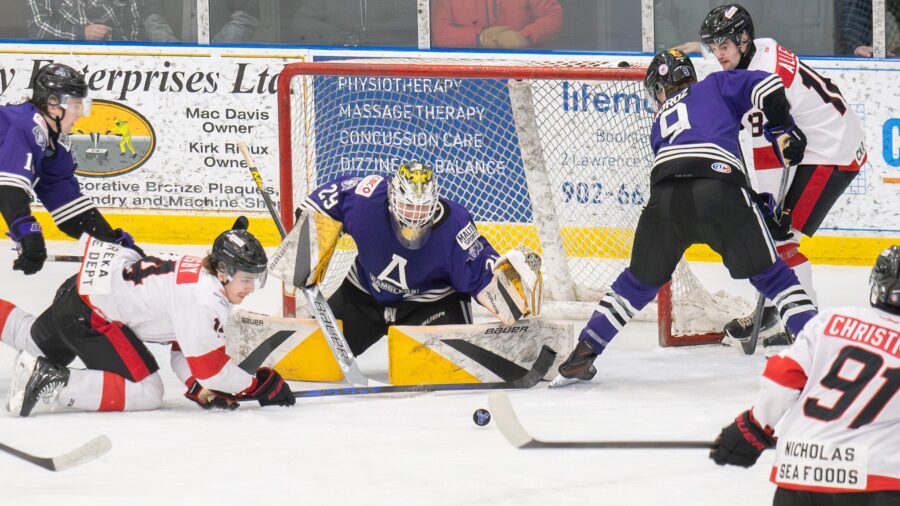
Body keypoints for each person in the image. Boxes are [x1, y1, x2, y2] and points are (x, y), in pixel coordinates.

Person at [553, 49, 817, 385]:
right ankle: (820, 353)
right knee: (777, 280)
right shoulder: (716, 84)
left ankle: (584, 351)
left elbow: (688, 168)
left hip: (664, 200)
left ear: (661, 89)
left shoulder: (659, 121)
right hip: (719, 188)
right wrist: (782, 130)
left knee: (634, 285)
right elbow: (768, 87)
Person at [698, 4, 868, 348]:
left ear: (744, 40)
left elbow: (769, 155)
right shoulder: (763, 50)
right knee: (774, 235)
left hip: (831, 151)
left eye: (725, 47)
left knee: (781, 238)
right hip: (821, 141)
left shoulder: (763, 82)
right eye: (714, 48)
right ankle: (777, 309)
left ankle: (806, 328)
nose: (719, 55)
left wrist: (769, 205)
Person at [1, 222, 295, 417]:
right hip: (90, 317)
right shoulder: (206, 299)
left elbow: (187, 351)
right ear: (222, 270)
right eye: (245, 279)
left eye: (255, 279)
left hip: (80, 291)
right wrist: (256, 384)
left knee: (31, 341)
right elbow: (212, 371)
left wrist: (198, 387)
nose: (250, 289)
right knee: (148, 392)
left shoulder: (202, 278)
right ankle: (56, 380)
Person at [269, 162, 543, 356]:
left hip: (429, 304)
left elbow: (478, 272)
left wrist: (510, 290)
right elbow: (328, 200)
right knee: (319, 356)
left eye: (422, 207)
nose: (414, 215)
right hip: (364, 296)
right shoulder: (368, 198)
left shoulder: (455, 224)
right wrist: (306, 239)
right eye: (407, 205)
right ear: (391, 198)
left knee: (436, 369)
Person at [710, 245, 900, 505]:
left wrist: (753, 427)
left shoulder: (832, 320)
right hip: (876, 482)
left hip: (799, 471)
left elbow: (782, 375)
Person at [1, 63, 139, 276]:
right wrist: (28, 234)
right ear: (53, 105)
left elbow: (67, 203)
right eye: (76, 105)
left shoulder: (55, 143)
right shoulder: (22, 125)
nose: (81, 114)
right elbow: (8, 188)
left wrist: (112, 244)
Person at [430, 0, 563, 49]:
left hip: (520, 72)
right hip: (468, 74)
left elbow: (554, 15)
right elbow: (439, 34)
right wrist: (480, 37)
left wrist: (524, 37)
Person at [286, 0, 417, 47]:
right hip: (339, 63)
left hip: (394, 60)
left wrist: (374, 35)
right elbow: (301, 23)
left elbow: (417, 23)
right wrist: (337, 35)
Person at [143, 0, 260, 44]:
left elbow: (246, 17)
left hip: (222, 67)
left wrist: (216, 50)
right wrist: (174, 50)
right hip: (169, 67)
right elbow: (152, 16)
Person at [25, 0, 142, 41]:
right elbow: (37, 27)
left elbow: (137, 24)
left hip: (117, 66)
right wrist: (82, 33)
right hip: (64, 64)